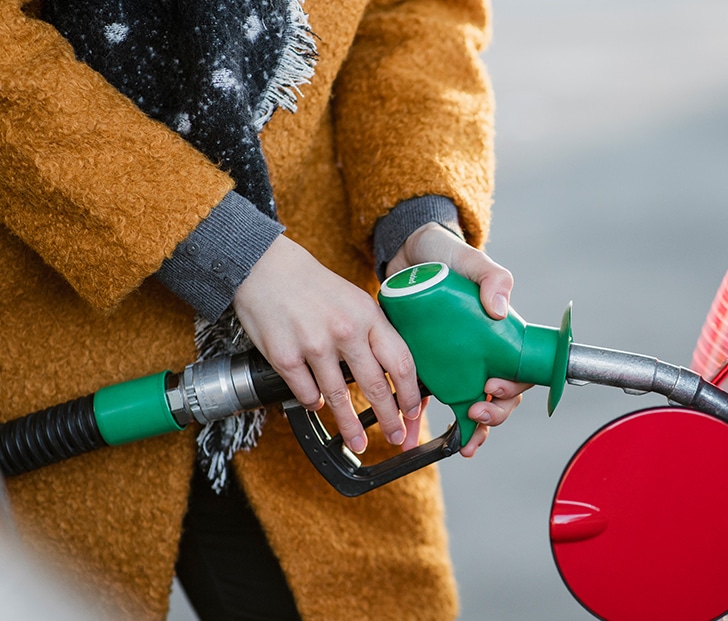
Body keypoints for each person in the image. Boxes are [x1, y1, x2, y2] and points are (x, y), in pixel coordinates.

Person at [0, 0, 522, 618]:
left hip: (321, 342)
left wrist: (418, 219)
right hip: (46, 342)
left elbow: (412, 17)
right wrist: (235, 253)